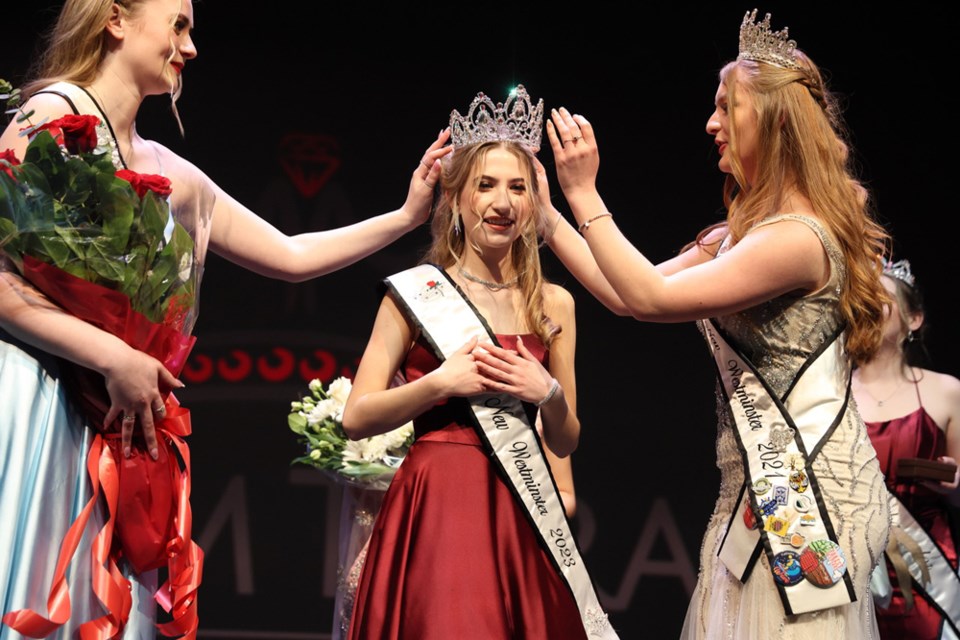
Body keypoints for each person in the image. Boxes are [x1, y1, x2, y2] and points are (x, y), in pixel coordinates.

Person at [0, 0, 449, 637]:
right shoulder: (54, 113)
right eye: (178, 25)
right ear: (116, 20)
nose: (191, 47)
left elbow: (291, 255)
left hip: (118, 424)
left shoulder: (169, 171)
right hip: (47, 401)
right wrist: (114, 357)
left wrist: (406, 217)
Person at [542, 9, 892, 638]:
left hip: (805, 492)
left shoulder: (798, 240)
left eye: (726, 108)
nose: (711, 125)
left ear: (775, 122)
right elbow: (624, 293)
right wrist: (545, 215)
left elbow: (648, 298)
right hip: (754, 491)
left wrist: (584, 192)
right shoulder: (737, 236)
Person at [341, 87, 614, 640]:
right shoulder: (414, 294)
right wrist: (439, 383)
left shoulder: (554, 304)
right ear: (457, 198)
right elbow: (356, 416)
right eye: (485, 185)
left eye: (517, 187)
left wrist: (549, 394)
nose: (502, 202)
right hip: (435, 503)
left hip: (520, 510)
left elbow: (565, 441)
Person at [852, 259, 960, 639]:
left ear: (914, 319)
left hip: (927, 568)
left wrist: (953, 483)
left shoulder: (947, 391)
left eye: (880, 297)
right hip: (854, 567)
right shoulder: (831, 393)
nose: (869, 304)